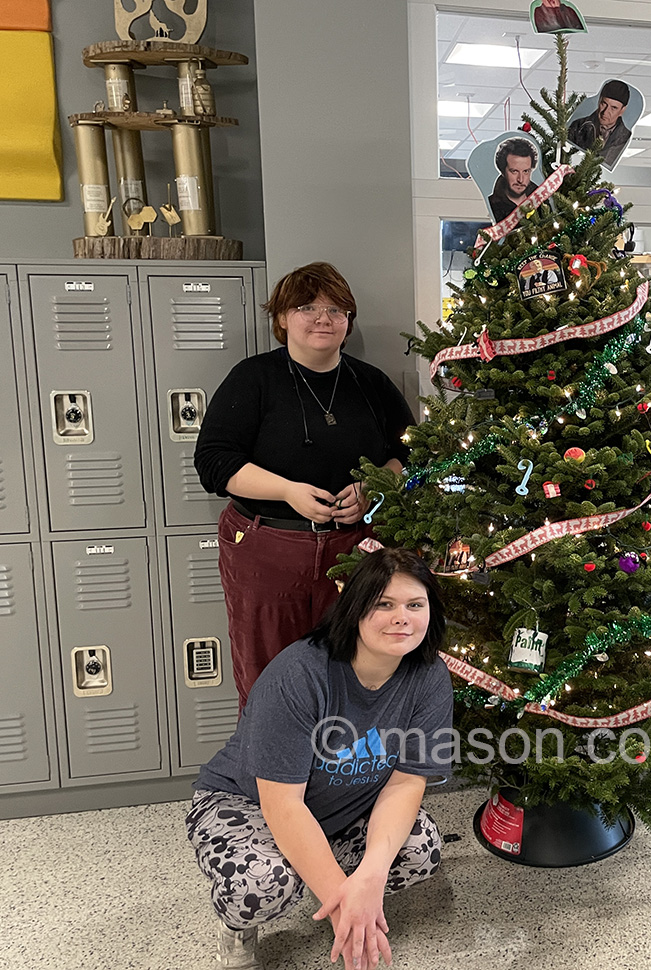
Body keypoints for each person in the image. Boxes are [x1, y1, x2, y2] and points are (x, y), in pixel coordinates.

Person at [186, 547, 453, 970]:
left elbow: (405, 782)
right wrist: (344, 910)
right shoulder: (301, 673)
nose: (402, 617)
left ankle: (331, 874)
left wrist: (370, 877)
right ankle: (238, 927)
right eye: (384, 604)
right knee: (263, 883)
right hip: (246, 802)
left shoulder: (429, 676)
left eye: (414, 604)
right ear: (354, 609)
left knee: (420, 849)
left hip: (345, 805)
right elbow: (282, 804)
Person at [194, 262, 416, 709]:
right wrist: (287, 490)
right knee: (269, 673)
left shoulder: (371, 383)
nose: (323, 318)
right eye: (306, 307)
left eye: (336, 309)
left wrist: (375, 487)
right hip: (268, 546)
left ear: (349, 321)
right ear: (281, 318)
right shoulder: (253, 378)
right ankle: (275, 774)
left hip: (357, 546)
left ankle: (349, 774)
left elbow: (411, 453)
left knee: (359, 669)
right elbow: (214, 463)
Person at [567, 79, 633, 168]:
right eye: (603, 104)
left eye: (613, 108)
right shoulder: (578, 126)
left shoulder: (625, 136)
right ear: (599, 101)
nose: (605, 112)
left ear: (622, 110)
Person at [487, 138, 538, 222]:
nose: (520, 179)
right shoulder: (491, 206)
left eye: (526, 171)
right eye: (514, 171)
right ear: (503, 171)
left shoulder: (543, 201)